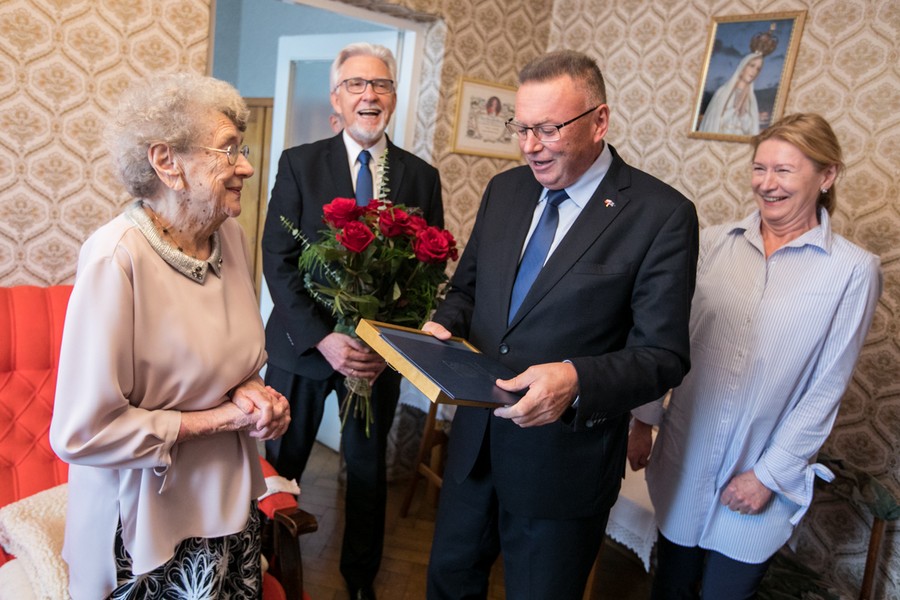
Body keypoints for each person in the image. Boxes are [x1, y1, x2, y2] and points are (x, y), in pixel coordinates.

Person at [423, 50, 699, 600]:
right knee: (448, 584)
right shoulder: (505, 190)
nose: (530, 146)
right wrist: (442, 326)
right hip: (475, 449)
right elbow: (468, 290)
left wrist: (576, 379)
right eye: (522, 128)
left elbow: (663, 356)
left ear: (600, 121)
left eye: (548, 129)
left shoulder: (661, 215)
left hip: (563, 468)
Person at [49, 72, 291, 599]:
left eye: (242, 149)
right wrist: (223, 419)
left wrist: (254, 394)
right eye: (228, 150)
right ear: (166, 162)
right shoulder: (116, 257)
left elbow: (232, 360)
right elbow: (80, 432)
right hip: (144, 524)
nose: (246, 167)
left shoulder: (231, 236)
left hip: (228, 507)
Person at [628, 113, 883, 599]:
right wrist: (643, 420)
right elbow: (667, 340)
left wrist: (767, 476)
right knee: (670, 585)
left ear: (826, 176)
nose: (767, 184)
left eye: (784, 170)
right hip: (686, 453)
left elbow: (827, 386)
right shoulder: (713, 244)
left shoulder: (853, 271)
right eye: (759, 168)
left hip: (762, 469)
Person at [262, 42, 443, 600]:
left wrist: (384, 345)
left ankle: (360, 580)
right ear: (336, 99)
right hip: (302, 348)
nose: (370, 94)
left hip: (373, 357)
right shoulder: (299, 163)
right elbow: (278, 259)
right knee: (280, 466)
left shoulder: (421, 176)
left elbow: (427, 272)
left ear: (394, 98)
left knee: (367, 473)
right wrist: (324, 339)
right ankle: (264, 567)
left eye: (381, 84)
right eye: (357, 84)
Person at [698, 52, 763, 135]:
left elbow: (751, 130)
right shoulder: (722, 92)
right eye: (752, 65)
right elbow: (713, 123)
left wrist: (743, 114)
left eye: (758, 69)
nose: (754, 71)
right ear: (743, 67)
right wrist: (735, 108)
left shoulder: (751, 98)